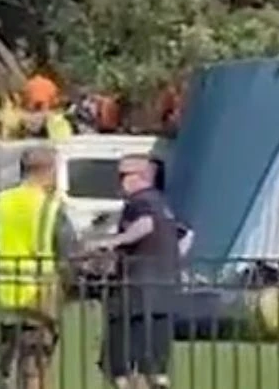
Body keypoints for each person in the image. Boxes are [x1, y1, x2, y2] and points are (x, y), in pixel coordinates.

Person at [86, 156, 193, 389]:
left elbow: (145, 225)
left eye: (123, 176)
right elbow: (187, 234)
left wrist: (112, 242)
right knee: (153, 364)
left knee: (123, 362)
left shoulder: (139, 201)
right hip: (164, 287)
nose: (119, 182)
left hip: (137, 288)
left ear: (141, 177)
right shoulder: (161, 203)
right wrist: (174, 261)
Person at [0, 146, 78, 389]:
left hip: (2, 296)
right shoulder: (51, 207)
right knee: (34, 369)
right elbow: (67, 252)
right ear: (48, 171)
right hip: (39, 298)